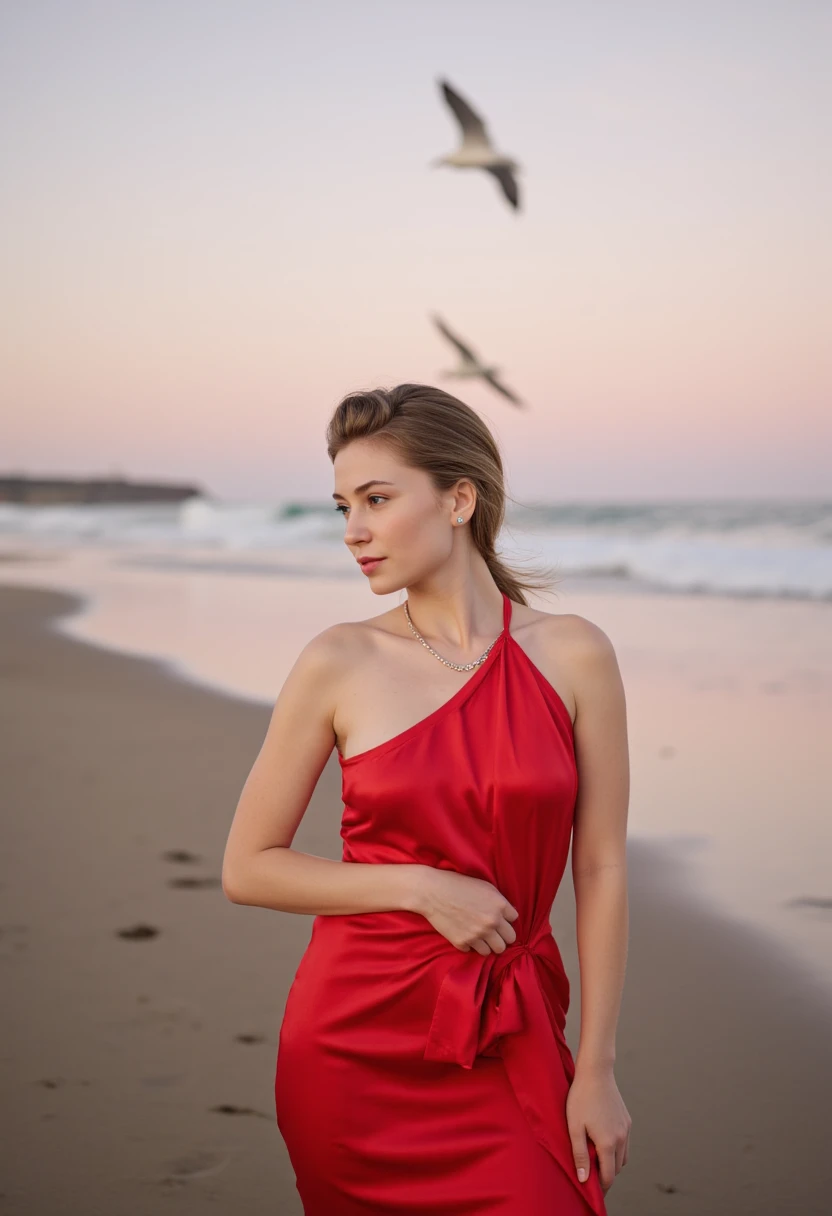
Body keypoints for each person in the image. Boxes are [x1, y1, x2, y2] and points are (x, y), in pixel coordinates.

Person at [222, 383, 631, 1215]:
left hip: (512, 1035)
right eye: (342, 507)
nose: (353, 532)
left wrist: (596, 1070)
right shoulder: (338, 661)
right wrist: (419, 885)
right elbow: (248, 868)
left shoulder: (575, 654)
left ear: (459, 499)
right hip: (353, 1046)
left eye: (376, 499)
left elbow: (601, 866)